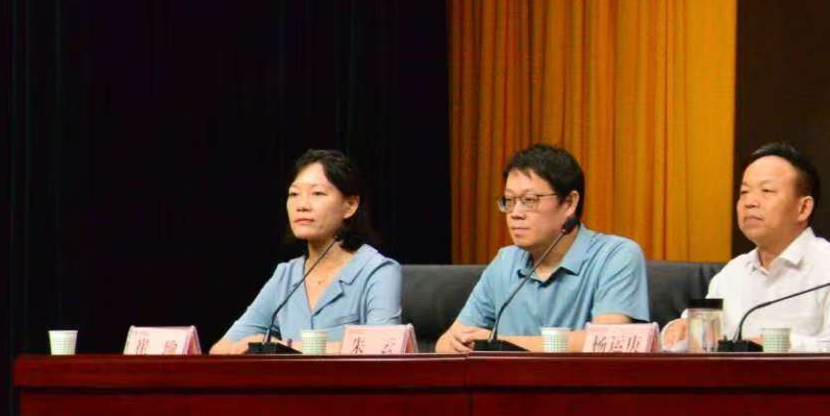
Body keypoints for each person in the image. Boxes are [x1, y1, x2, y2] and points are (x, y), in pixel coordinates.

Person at [435, 143, 649, 353]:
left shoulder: (616, 256)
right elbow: (445, 344)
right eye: (509, 200)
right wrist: (462, 344)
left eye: (529, 200)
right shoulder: (505, 262)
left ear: (569, 203)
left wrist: (498, 344)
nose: (515, 213)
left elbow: (606, 343)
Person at [663, 143, 830, 349]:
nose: (750, 202)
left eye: (766, 191)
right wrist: (679, 331)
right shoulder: (732, 273)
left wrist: (779, 344)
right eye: (744, 192)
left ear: (803, 208)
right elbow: (699, 337)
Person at [213, 149, 401, 353]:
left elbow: (383, 348)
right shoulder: (286, 275)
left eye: (317, 193)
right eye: (294, 194)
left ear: (350, 205)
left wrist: (285, 348)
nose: (302, 205)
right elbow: (221, 349)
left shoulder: (378, 271)